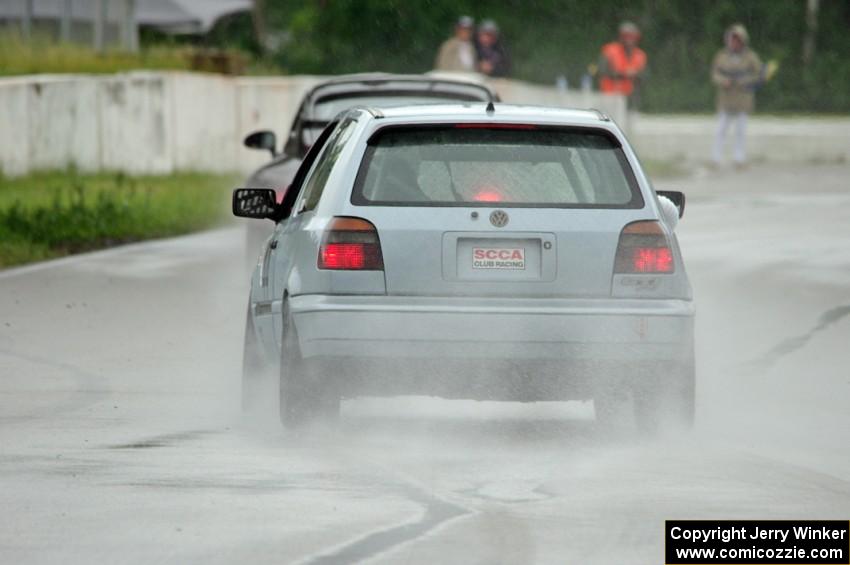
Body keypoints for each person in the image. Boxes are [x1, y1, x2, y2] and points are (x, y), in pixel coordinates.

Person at [711, 23, 762, 168]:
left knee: (740, 131)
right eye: (732, 39)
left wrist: (743, 81)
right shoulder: (721, 56)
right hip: (726, 99)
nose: (734, 43)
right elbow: (715, 74)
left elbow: (758, 75)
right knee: (721, 129)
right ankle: (716, 158)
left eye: (737, 39)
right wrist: (724, 81)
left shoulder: (751, 57)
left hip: (743, 99)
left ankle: (739, 159)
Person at [598, 21, 647, 110]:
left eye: (632, 37)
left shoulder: (640, 55)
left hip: (629, 98)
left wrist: (636, 75)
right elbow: (602, 71)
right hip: (610, 96)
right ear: (620, 37)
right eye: (626, 36)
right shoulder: (610, 50)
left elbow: (643, 76)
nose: (629, 40)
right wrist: (623, 74)